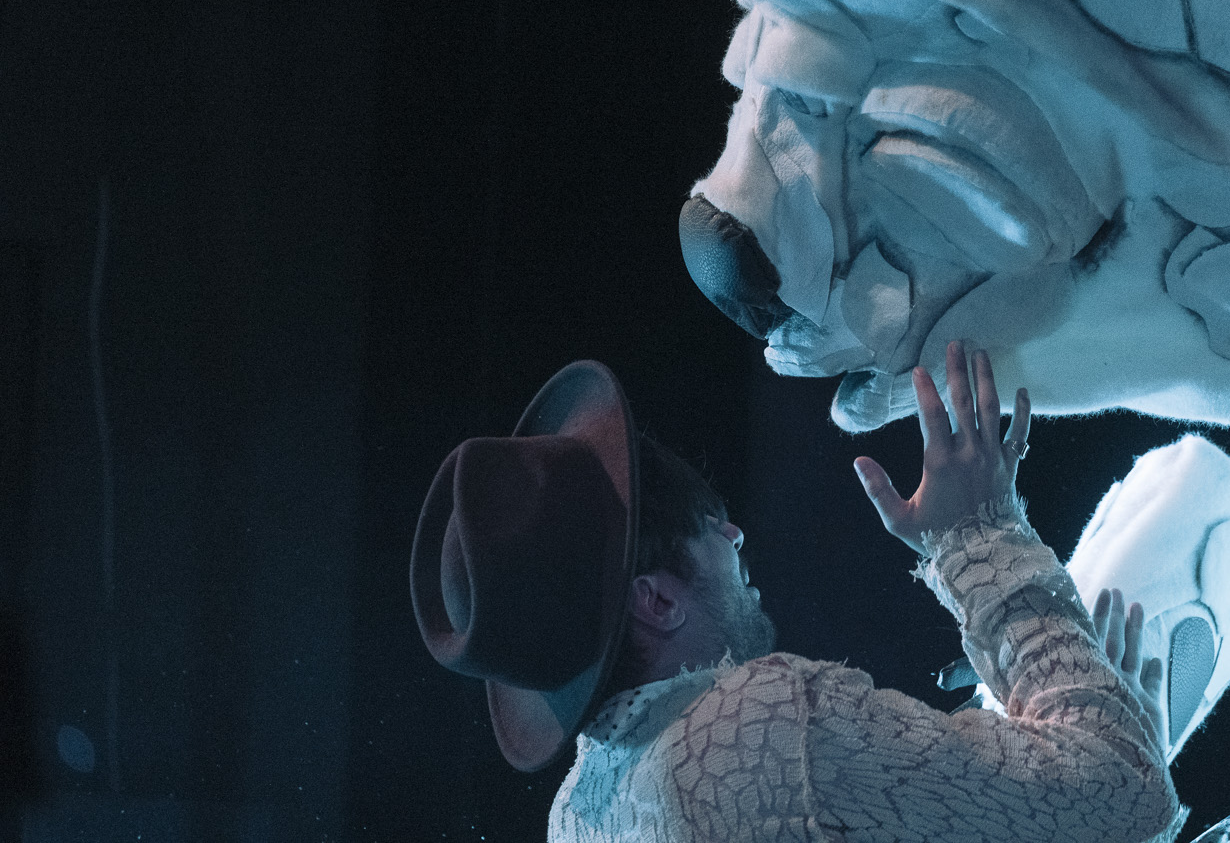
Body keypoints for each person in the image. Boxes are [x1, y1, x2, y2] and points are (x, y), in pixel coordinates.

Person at [410, 345, 1179, 843]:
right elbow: (1125, 796)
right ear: (658, 603)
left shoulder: (577, 818)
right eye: (709, 527)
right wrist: (978, 534)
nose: (735, 534)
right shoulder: (762, 724)